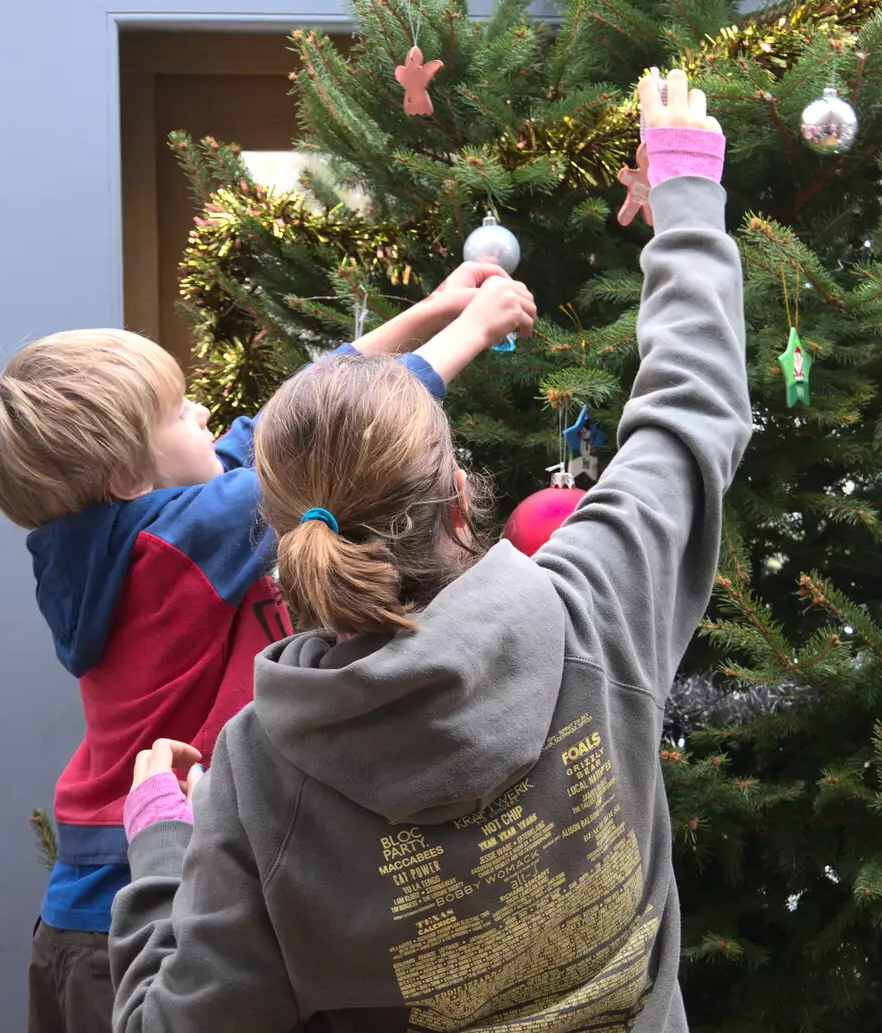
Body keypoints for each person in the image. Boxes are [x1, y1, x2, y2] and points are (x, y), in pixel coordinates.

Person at [112, 68, 744, 1033]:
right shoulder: (595, 612)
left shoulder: (257, 774)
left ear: (281, 545)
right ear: (461, 498)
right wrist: (687, 195)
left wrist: (163, 851)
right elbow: (690, 413)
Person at [0, 265, 533, 1033]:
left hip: (93, 912)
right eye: (177, 413)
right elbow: (337, 439)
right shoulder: (176, 548)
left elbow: (278, 423)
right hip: (133, 916)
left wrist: (424, 309)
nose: (205, 412)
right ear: (130, 478)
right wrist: (470, 330)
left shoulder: (132, 535)